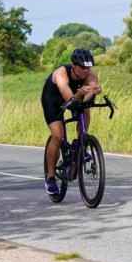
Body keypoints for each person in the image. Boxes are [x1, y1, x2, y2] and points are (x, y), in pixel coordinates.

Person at [41, 48, 102, 195]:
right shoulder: (61, 73)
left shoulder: (91, 75)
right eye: (82, 68)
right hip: (53, 99)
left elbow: (85, 100)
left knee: (85, 108)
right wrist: (80, 94)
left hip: (74, 96)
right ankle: (50, 178)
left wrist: (92, 92)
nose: (86, 71)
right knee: (58, 136)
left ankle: (81, 143)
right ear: (73, 65)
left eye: (88, 68)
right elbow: (70, 99)